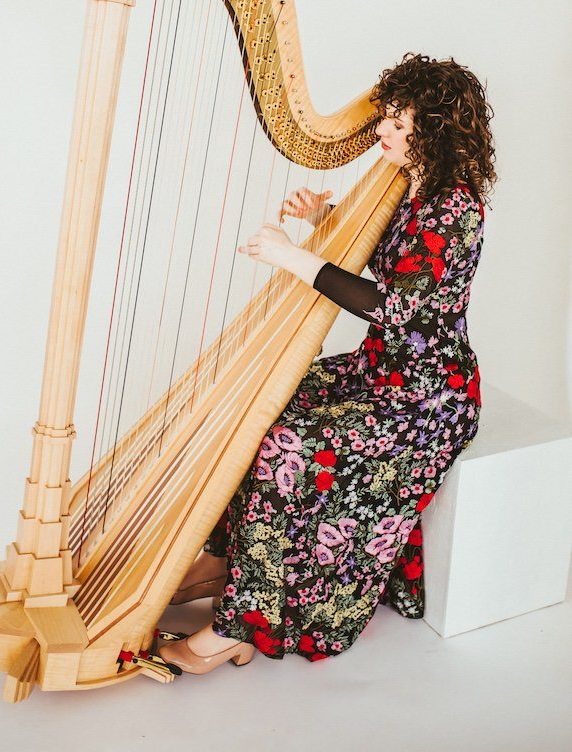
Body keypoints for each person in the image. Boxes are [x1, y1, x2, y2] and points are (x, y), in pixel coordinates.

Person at [159, 52, 497, 674]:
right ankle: (226, 563)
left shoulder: (458, 209)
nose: (384, 133)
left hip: (426, 400)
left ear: (438, 128)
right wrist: (324, 221)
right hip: (377, 372)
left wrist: (294, 257)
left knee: (288, 444)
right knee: (263, 396)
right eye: (387, 119)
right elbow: (393, 263)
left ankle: (239, 628)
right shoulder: (410, 181)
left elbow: (396, 308)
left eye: (401, 123)